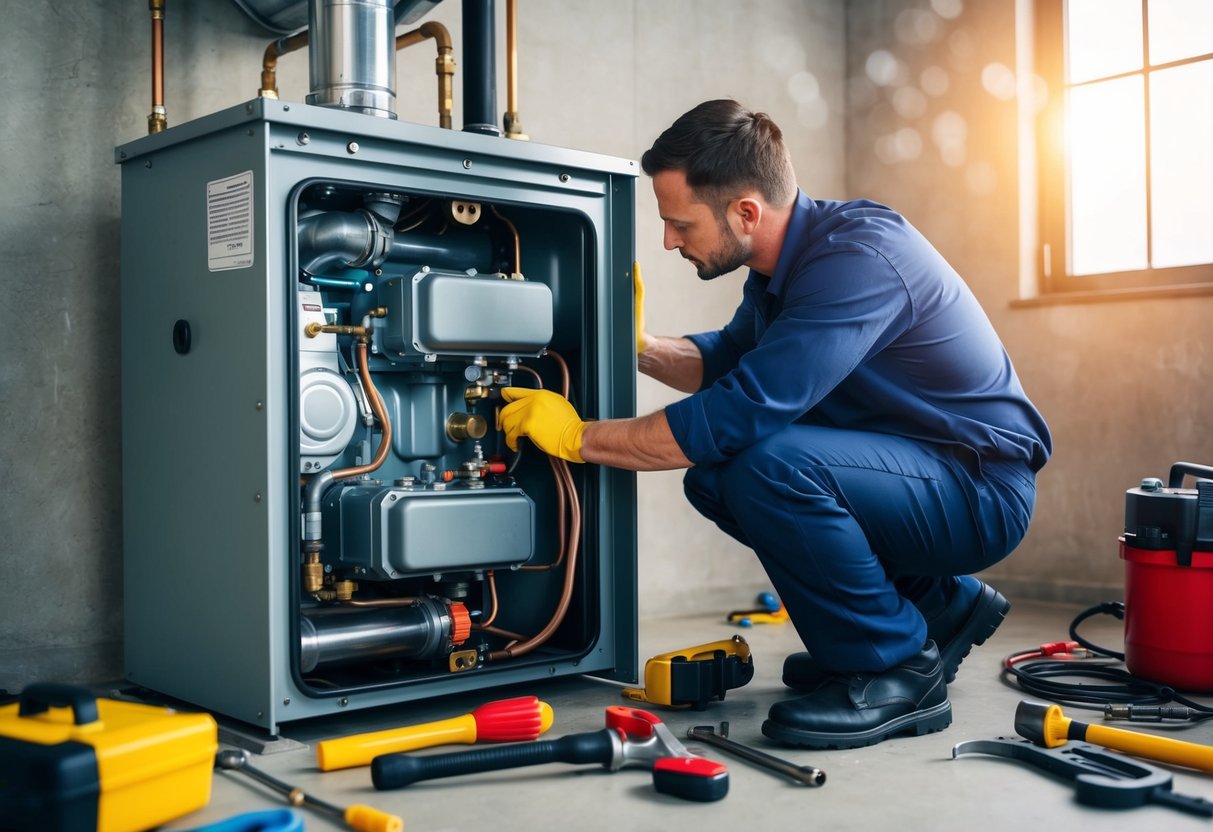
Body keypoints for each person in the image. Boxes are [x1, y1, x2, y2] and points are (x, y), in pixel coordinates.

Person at [497, 99, 1051, 750]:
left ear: (746, 213)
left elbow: (736, 412)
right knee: (717, 477)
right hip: (912, 472)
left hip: (976, 490)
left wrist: (579, 438)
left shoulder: (856, 260)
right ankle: (935, 606)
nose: (669, 240)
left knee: (764, 464)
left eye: (679, 224)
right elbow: (725, 363)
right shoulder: (780, 274)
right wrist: (638, 344)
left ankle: (895, 668)